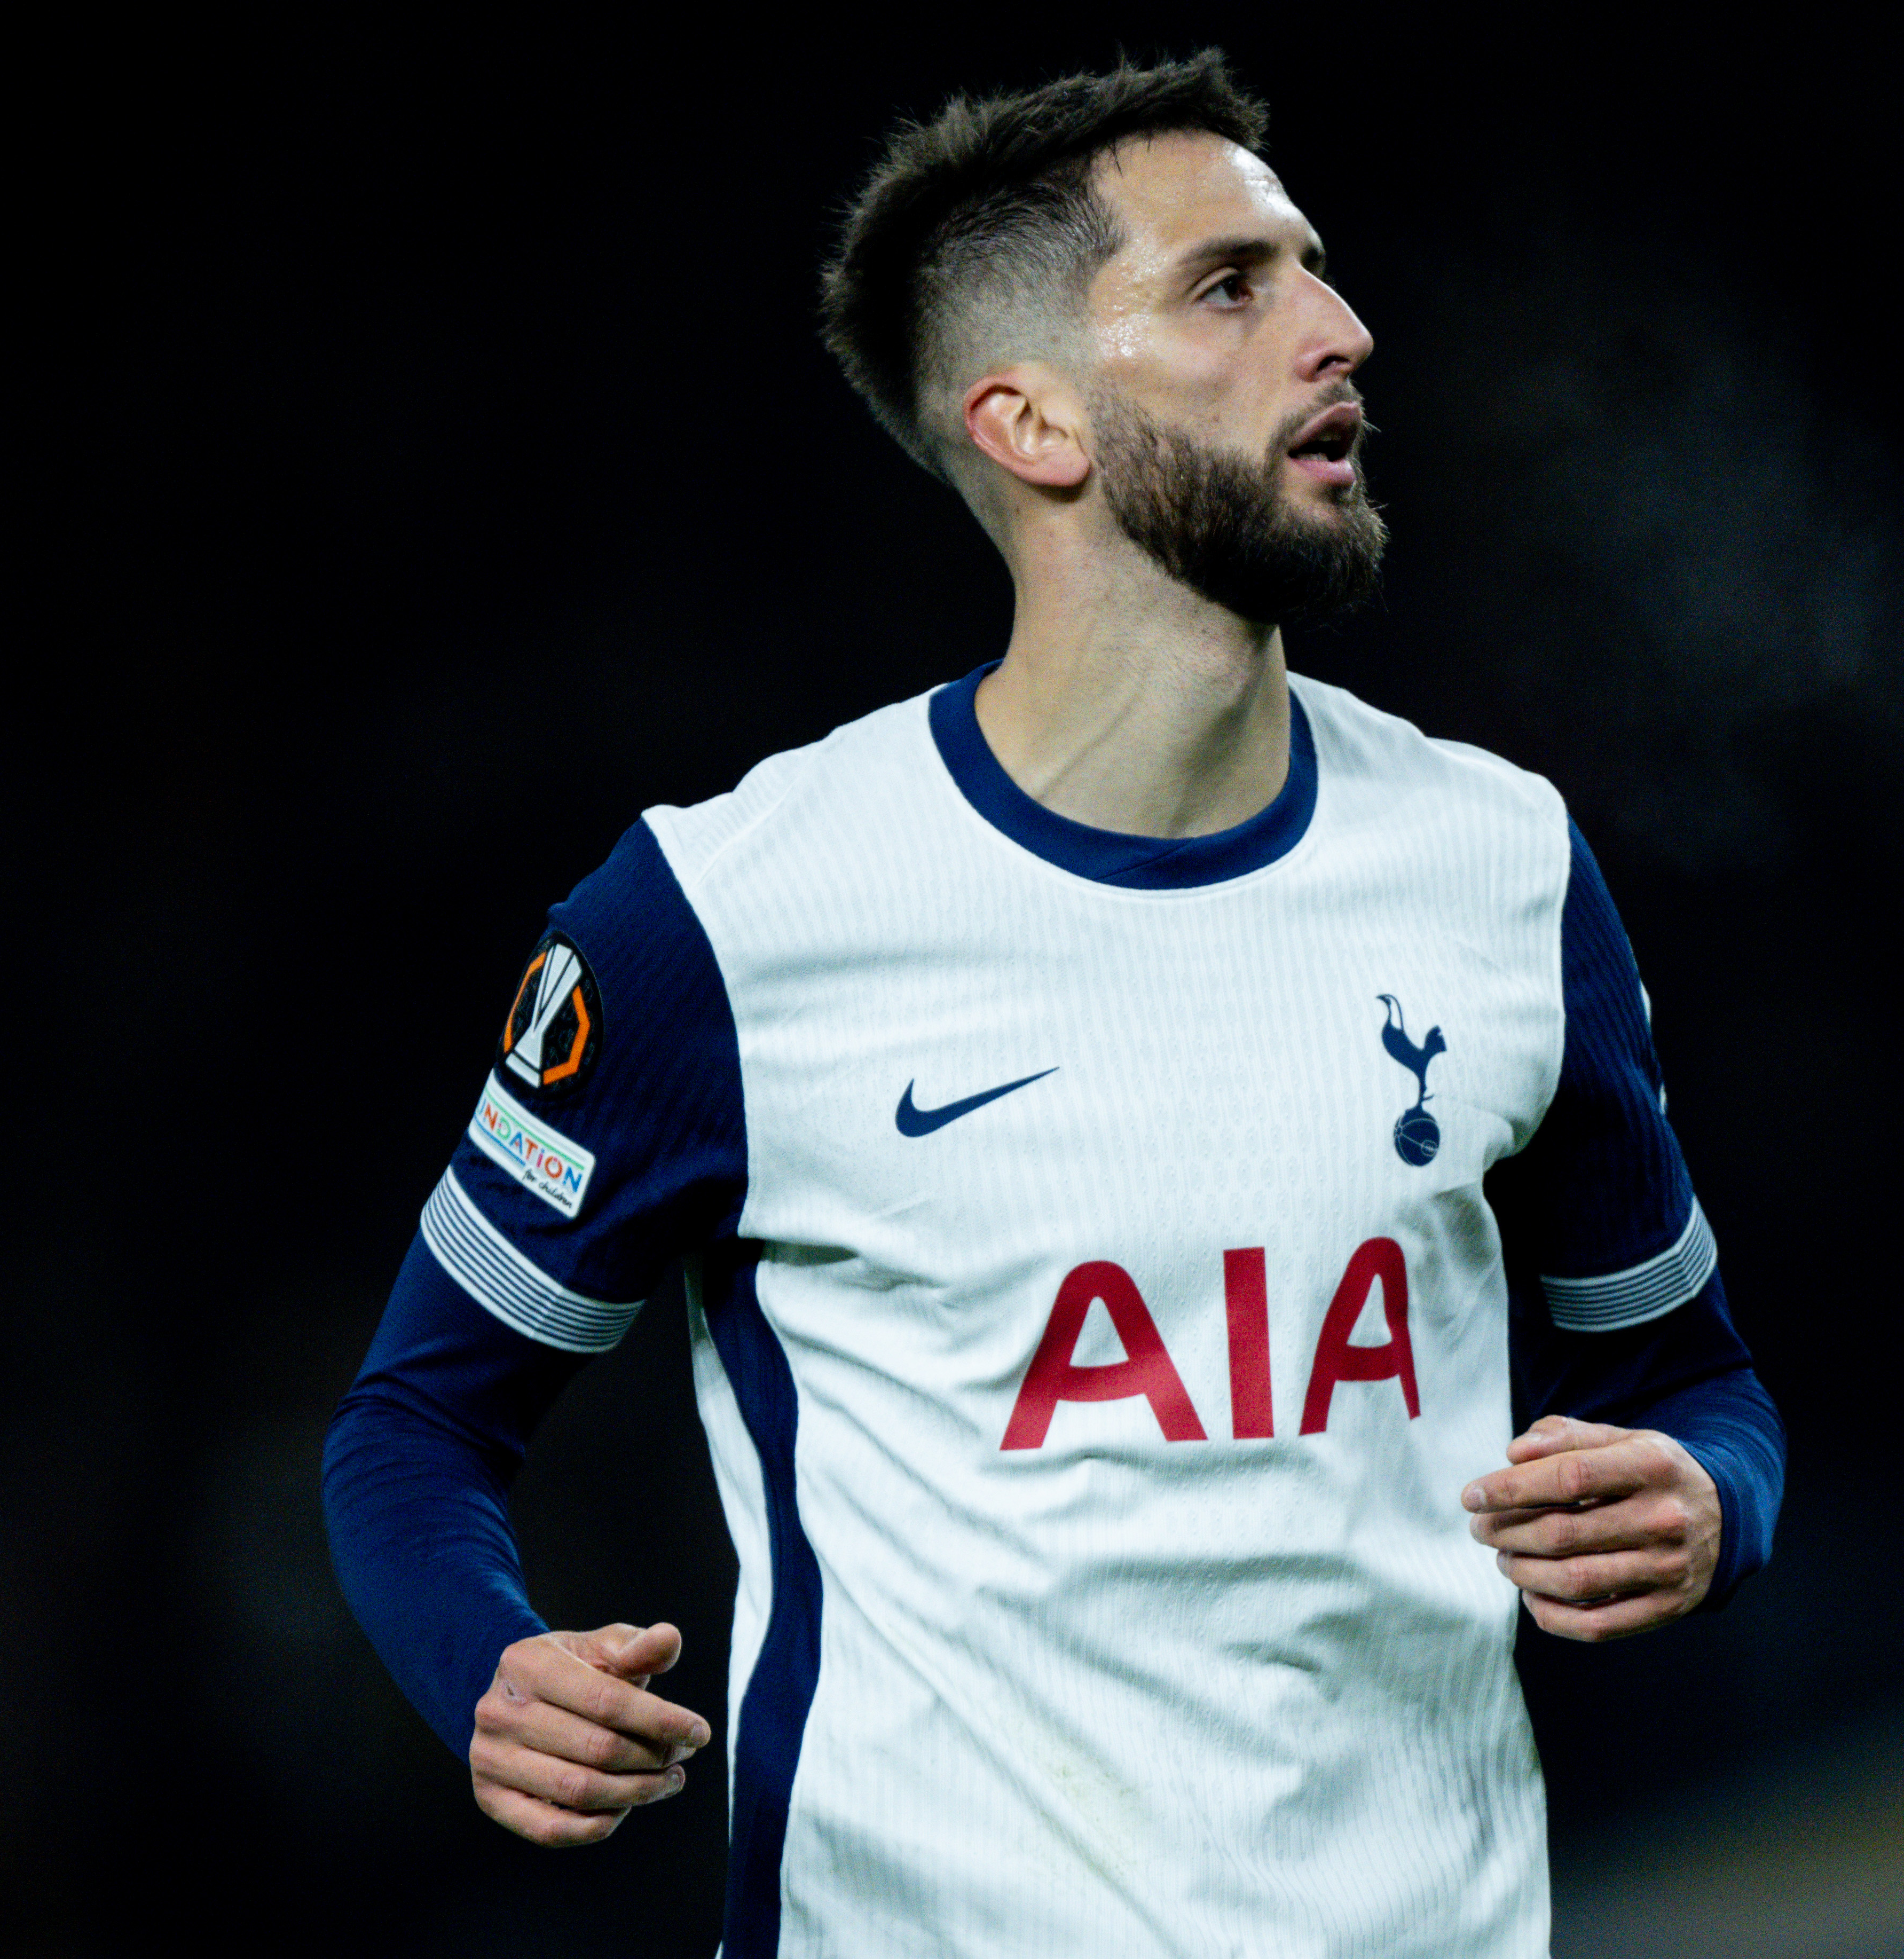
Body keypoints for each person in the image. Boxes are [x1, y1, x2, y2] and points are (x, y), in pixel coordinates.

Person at [324, 50, 1783, 1957]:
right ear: (1031, 423)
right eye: (1230, 287)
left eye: (1314, 269)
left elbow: (1695, 1381)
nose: (1341, 330)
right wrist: (490, 1671)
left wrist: (1705, 1504)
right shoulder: (723, 921)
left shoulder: (1501, 866)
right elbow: (413, 1424)